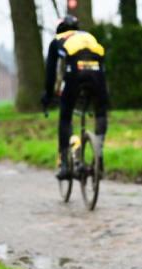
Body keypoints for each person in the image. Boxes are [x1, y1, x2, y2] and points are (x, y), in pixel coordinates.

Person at [41, 15, 109, 180]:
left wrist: (48, 96)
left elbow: (51, 73)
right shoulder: (88, 37)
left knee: (65, 116)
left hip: (74, 74)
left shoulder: (57, 40)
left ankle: (64, 164)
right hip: (97, 75)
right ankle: (99, 156)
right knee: (101, 112)